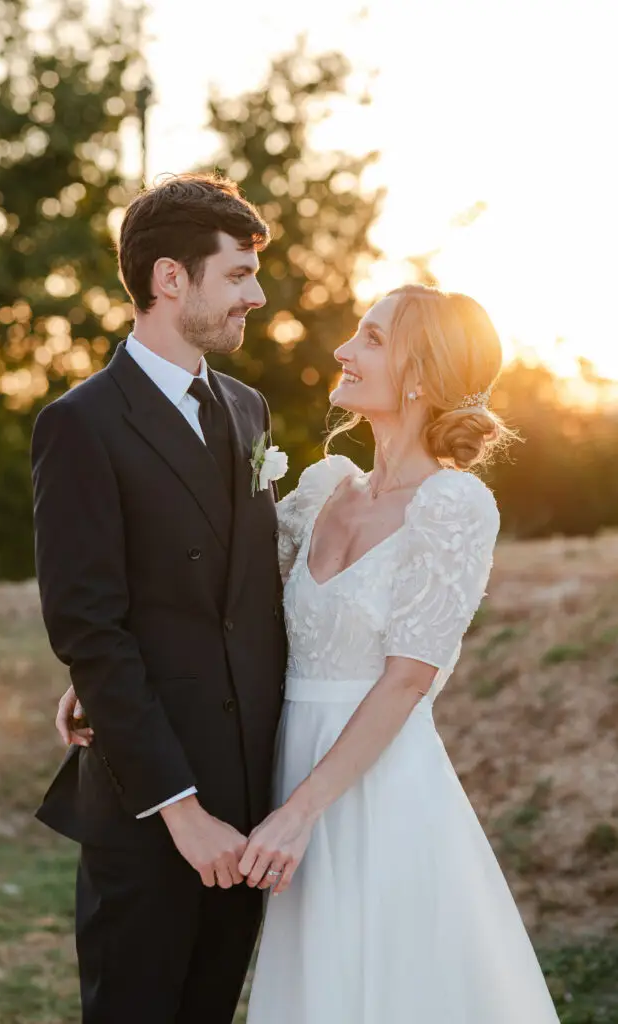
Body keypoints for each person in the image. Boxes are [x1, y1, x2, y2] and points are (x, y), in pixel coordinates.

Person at [57, 283, 562, 1022]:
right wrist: (108, 674)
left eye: (371, 337)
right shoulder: (323, 489)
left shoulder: (453, 508)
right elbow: (232, 606)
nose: (343, 351)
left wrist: (301, 813)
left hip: (371, 787)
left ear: (422, 372)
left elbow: (406, 680)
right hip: (274, 762)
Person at [31, 173, 288, 1024]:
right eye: (240, 275)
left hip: (250, 807)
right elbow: (87, 625)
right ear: (170, 279)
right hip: (151, 805)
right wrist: (182, 814)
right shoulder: (81, 423)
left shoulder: (250, 410)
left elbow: (240, 595)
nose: (257, 295)